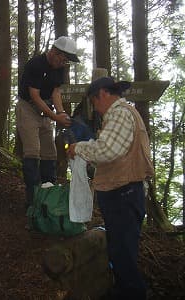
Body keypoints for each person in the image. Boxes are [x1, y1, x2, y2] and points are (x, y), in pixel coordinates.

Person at [67, 77, 154, 300]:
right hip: (123, 194)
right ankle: (123, 291)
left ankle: (133, 294)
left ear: (103, 94)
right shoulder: (122, 114)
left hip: (123, 194)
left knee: (123, 253)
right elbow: (112, 155)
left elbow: (107, 150)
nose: (95, 108)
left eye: (94, 102)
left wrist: (79, 148)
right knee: (120, 249)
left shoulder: (119, 113)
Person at [16, 36, 79, 209]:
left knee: (49, 152)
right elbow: (34, 96)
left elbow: (56, 92)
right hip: (28, 108)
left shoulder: (59, 69)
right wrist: (54, 117)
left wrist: (61, 112)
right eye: (63, 59)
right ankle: (33, 198)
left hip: (45, 110)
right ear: (54, 52)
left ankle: (49, 195)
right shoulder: (36, 64)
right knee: (32, 151)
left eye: (67, 61)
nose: (64, 63)